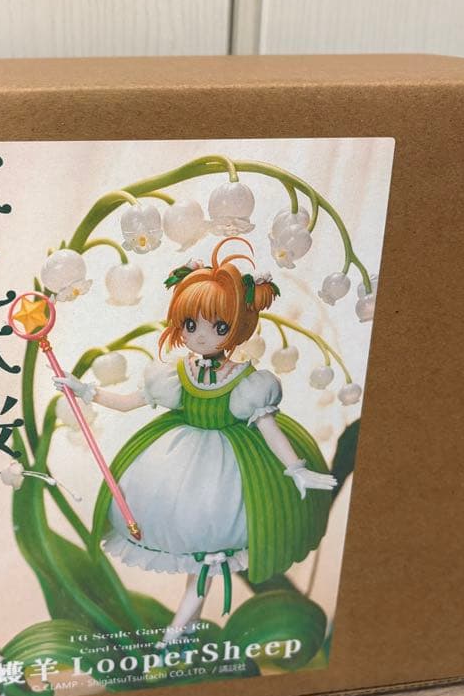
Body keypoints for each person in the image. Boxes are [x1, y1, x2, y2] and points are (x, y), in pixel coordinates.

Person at [55, 237, 336, 642]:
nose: (201, 336)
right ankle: (178, 633)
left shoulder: (247, 383)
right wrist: (86, 391)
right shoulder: (176, 374)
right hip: (175, 465)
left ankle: (176, 634)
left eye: (218, 327)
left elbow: (268, 428)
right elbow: (131, 402)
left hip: (230, 473)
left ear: (237, 328)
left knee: (210, 548)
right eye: (190, 325)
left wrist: (295, 469)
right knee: (195, 549)